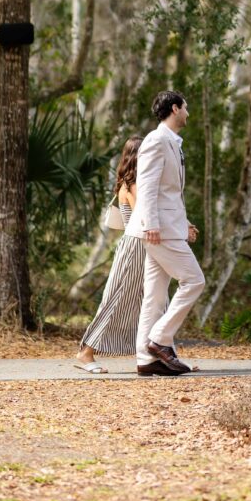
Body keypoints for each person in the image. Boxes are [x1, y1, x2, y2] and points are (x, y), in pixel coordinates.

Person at [127, 90, 204, 377]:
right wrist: (152, 225)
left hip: (167, 227)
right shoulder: (156, 140)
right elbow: (146, 186)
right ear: (175, 108)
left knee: (156, 297)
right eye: (186, 107)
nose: (188, 113)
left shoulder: (172, 142)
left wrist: (183, 224)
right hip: (157, 231)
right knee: (194, 280)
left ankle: (145, 360)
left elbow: (170, 193)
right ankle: (159, 339)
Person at [75, 135, 146, 374]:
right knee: (117, 300)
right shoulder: (133, 185)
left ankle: (162, 355)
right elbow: (143, 216)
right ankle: (86, 352)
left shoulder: (134, 183)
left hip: (143, 247)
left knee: (152, 301)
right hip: (135, 247)